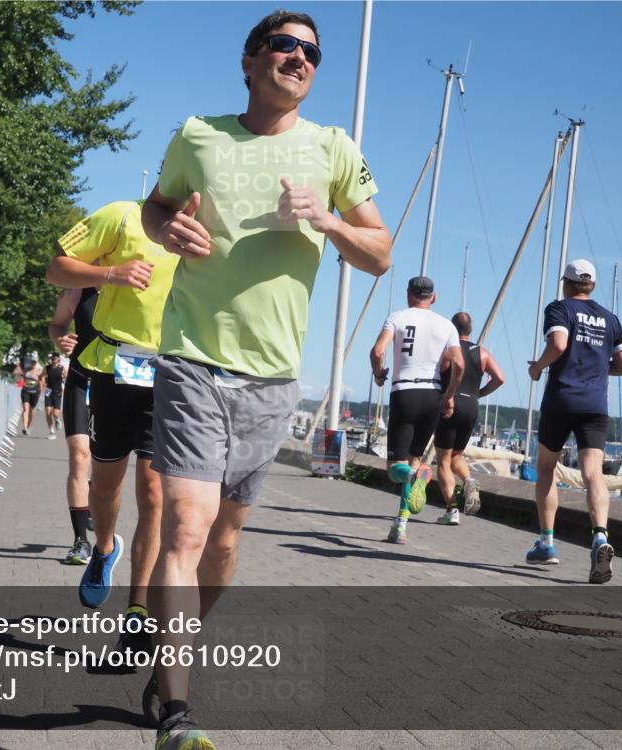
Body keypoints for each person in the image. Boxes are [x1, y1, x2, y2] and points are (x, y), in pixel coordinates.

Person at [140, 10, 391, 749]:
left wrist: (330, 222)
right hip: (191, 357)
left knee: (224, 543)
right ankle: (177, 716)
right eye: (283, 45)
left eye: (311, 51)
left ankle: (164, 662)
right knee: (186, 527)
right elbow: (157, 205)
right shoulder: (199, 134)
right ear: (249, 62)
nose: (299, 58)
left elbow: (379, 253)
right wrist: (166, 229)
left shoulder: (334, 148)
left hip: (274, 379)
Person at [47, 200, 178, 650]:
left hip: (171, 375)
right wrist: (111, 275)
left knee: (154, 491)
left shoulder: (209, 233)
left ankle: (137, 610)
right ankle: (103, 548)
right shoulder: (123, 216)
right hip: (109, 370)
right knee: (104, 486)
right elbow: (56, 270)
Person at [526, 259, 622, 583]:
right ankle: (600, 535)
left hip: (562, 399)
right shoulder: (611, 319)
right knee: (593, 474)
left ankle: (547, 542)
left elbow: (558, 344)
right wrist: (600, 369)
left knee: (545, 468)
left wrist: (538, 367)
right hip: (595, 405)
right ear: (593, 285)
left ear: (567, 284)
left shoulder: (560, 309)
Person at [370, 276, 464, 545]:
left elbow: (377, 351)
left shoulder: (397, 317)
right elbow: (458, 363)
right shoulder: (446, 325)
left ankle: (412, 478)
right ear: (433, 297)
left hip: (404, 393)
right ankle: (399, 526)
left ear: (408, 294)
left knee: (395, 469)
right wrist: (449, 395)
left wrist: (379, 375)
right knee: (414, 462)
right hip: (432, 395)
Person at [433, 311, 505, 524]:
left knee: (443, 462)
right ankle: (468, 480)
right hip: (471, 406)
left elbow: (437, 375)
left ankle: (452, 510)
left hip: (449, 404)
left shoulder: (448, 351)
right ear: (470, 330)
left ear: (452, 329)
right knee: (457, 456)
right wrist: (479, 393)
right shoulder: (482, 352)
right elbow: (500, 378)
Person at [48, 286, 99, 565]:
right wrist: (61, 340)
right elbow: (56, 325)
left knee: (103, 466)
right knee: (80, 456)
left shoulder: (139, 285)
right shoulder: (77, 291)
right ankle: (80, 541)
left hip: (119, 384)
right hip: (82, 381)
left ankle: (94, 497)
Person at [43, 352, 68, 440]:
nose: (54, 359)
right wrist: (43, 384)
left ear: (59, 359)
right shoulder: (47, 368)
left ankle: (57, 419)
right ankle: (51, 431)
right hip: (48, 391)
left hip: (57, 392)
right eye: (53, 358)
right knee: (48, 412)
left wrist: (64, 384)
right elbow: (42, 376)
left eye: (55, 358)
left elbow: (67, 378)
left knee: (55, 413)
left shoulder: (62, 368)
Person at [18, 355, 43, 435]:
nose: (33, 363)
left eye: (34, 362)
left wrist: (40, 392)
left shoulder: (39, 370)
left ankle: (28, 426)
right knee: (25, 409)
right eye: (32, 362)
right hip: (26, 391)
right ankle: (25, 427)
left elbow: (42, 382)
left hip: (35, 392)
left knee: (31, 410)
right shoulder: (26, 370)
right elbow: (21, 379)